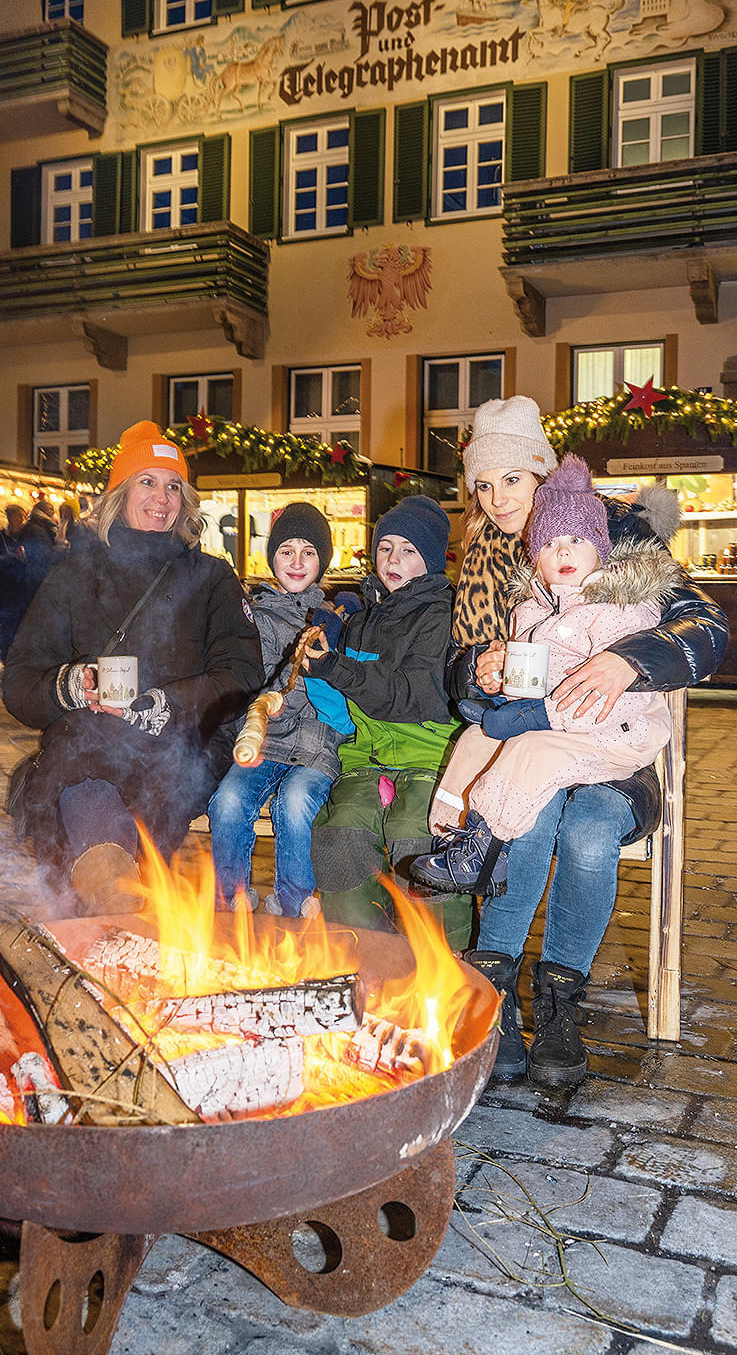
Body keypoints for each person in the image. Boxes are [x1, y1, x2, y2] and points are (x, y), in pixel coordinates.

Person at [441, 395, 727, 1088]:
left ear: (545, 473)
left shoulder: (615, 529)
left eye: (512, 478)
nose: (497, 498)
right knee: (528, 811)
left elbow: (705, 625)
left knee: (591, 831)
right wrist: (477, 669)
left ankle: (559, 1004)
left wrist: (631, 658)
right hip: (532, 738)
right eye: (483, 485)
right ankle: (495, 996)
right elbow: (458, 672)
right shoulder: (485, 559)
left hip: (614, 746)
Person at [2, 420, 264, 913]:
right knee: (80, 770)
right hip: (89, 741)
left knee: (164, 782)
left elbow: (241, 671)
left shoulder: (211, 576)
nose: (162, 498)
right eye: (147, 482)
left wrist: (168, 703)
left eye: (173, 486)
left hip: (180, 744)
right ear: (120, 493)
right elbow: (20, 681)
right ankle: (111, 886)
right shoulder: (74, 575)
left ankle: (113, 894)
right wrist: (71, 686)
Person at [418, 454, 683, 892]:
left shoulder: (620, 609)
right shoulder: (530, 611)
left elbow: (620, 697)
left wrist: (535, 716)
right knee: (475, 740)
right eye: (548, 543)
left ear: (600, 548)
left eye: (576, 539)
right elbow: (531, 682)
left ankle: (486, 852)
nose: (562, 551)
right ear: (534, 557)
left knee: (530, 750)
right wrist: (499, 682)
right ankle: (451, 834)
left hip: (615, 733)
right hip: (558, 724)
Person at [304, 496, 469, 946]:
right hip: (367, 758)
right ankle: (363, 953)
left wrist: (335, 668)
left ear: (431, 559)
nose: (393, 560)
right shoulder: (363, 618)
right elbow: (346, 703)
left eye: (409, 550)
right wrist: (321, 664)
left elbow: (411, 695)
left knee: (418, 834)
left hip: (429, 755)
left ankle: (443, 958)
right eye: (385, 547)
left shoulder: (443, 615)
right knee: (341, 833)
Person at [207, 502, 352, 918]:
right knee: (228, 801)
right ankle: (231, 897)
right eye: (287, 551)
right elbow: (260, 686)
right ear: (272, 558)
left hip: (316, 745)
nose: (297, 562)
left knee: (296, 800)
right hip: (265, 741)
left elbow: (344, 687)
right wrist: (300, 667)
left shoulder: (338, 618)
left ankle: (292, 901)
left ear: (323, 561)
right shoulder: (256, 618)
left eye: (309, 552)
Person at [0, 503, 28, 664]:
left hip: (21, 589)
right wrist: (11, 558)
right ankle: (7, 659)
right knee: (6, 627)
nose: (20, 521)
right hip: (4, 589)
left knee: (19, 627)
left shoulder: (25, 536)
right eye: (17, 517)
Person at [19, 499, 59, 606]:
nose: (53, 512)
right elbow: (43, 555)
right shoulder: (36, 529)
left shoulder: (40, 526)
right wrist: (60, 551)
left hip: (36, 574)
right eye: (50, 509)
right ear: (42, 510)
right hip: (38, 575)